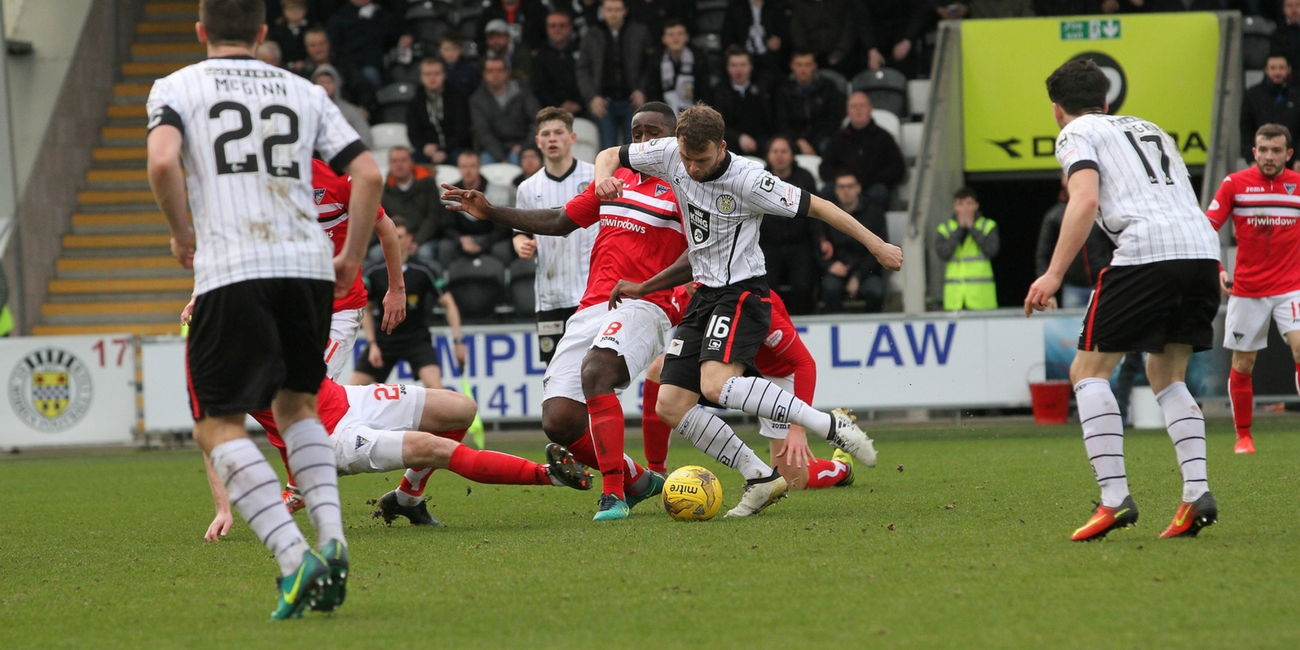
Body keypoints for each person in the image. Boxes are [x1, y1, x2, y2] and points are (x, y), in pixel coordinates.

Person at [146, 0, 382, 619]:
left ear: (200, 32)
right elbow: (368, 173)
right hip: (307, 267)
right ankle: (333, 544)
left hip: (234, 266)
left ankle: (292, 556)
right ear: (260, 32)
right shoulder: (301, 89)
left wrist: (179, 234)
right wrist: (352, 257)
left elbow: (163, 160)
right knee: (299, 407)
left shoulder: (176, 87)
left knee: (217, 425)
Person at [596, 104, 901, 517]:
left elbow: (820, 206)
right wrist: (601, 180)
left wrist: (878, 246)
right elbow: (610, 156)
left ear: (721, 148)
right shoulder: (670, 153)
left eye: (700, 160)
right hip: (704, 295)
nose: (691, 168)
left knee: (716, 385)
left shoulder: (750, 180)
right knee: (669, 402)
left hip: (742, 293)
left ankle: (830, 426)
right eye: (685, 158)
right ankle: (760, 477)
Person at [440, 102, 685, 520]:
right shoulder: (615, 180)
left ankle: (613, 495)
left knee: (596, 372)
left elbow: (699, 252)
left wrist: (651, 286)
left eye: (654, 133)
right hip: (593, 305)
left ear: (674, 140)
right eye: (637, 133)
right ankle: (638, 478)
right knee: (559, 420)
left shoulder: (685, 187)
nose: (643, 141)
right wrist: (491, 212)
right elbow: (558, 219)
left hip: (648, 304)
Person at [1026, 59, 1223, 542]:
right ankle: (1196, 491)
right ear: (1108, 100)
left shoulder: (1075, 133)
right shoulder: (1151, 127)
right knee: (1166, 373)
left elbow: (1085, 199)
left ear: (1057, 110)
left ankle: (1114, 498)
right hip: (1201, 250)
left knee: (1087, 371)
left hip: (1147, 253)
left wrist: (1052, 274)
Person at [202, 376, 593, 539]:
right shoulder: (224, 370)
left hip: (350, 398)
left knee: (461, 409)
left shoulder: (266, 308)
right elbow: (213, 440)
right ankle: (551, 475)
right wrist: (224, 509)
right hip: (330, 437)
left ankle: (407, 497)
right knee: (436, 448)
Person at [643, 287, 855, 489]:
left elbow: (805, 363)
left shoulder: (754, 301)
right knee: (657, 370)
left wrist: (798, 430)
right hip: (733, 369)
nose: (693, 283)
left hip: (776, 376)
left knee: (793, 479)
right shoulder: (689, 294)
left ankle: (841, 466)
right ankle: (657, 473)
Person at [1206, 123, 1300, 455]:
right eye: (1264, 150)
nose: (1269, 156)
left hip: (1292, 287)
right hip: (1248, 290)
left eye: (1276, 151)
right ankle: (1243, 436)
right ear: (1254, 152)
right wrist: (1217, 268)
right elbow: (1206, 228)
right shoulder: (1235, 184)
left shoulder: (1298, 186)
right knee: (1243, 364)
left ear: (1288, 154)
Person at [514, 108, 598, 364]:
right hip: (550, 296)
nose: (552, 139)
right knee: (555, 372)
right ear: (538, 141)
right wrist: (521, 246)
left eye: (558, 132)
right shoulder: (528, 188)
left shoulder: (596, 176)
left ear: (572, 138)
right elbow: (519, 233)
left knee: (594, 370)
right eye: (546, 134)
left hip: (591, 293)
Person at [351, 217, 468, 389]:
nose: (395, 241)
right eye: (392, 236)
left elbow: (448, 304)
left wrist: (458, 341)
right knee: (351, 389)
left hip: (416, 339)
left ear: (410, 239)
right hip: (383, 339)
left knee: (436, 388)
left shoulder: (424, 271)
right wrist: (372, 343)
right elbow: (365, 309)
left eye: (400, 236)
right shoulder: (374, 272)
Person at [576, 0, 650, 148]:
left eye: (617, 9)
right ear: (602, 11)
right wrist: (592, 97)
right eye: (609, 10)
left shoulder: (639, 32)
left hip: (632, 100)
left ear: (625, 11)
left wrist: (642, 90)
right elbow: (582, 69)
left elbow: (648, 66)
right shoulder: (592, 34)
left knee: (634, 149)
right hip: (603, 101)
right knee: (608, 149)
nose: (613, 14)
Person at [760, 136, 820, 314]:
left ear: (792, 155)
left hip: (800, 243)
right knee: (767, 288)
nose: (779, 156)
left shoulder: (805, 177)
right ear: (768, 155)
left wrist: (821, 239)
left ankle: (803, 323)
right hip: (767, 244)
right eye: (775, 151)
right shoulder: (759, 178)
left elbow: (816, 212)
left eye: (784, 151)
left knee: (803, 286)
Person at [1035, 173, 1112, 309]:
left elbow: (1118, 244)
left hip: (1103, 284)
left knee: (1107, 328)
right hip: (1072, 287)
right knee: (1073, 330)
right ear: (1063, 181)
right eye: (1069, 176)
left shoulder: (1102, 210)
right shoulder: (1054, 216)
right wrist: (1047, 293)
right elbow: (1043, 254)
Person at [819, 91, 905, 208]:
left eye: (862, 106)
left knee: (880, 192)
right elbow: (825, 168)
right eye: (854, 106)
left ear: (870, 109)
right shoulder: (838, 139)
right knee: (826, 193)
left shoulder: (883, 137)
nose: (858, 110)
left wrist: (870, 179)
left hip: (872, 186)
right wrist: (844, 180)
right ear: (848, 112)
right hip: (843, 186)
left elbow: (897, 168)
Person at [822, 172, 888, 313]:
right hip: (837, 268)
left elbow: (881, 247)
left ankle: (871, 328)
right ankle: (836, 328)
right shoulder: (827, 214)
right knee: (829, 287)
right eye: (841, 187)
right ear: (835, 190)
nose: (846, 191)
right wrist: (829, 265)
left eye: (850, 186)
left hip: (866, 271)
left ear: (858, 188)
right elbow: (818, 244)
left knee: (875, 290)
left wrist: (858, 276)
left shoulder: (873, 212)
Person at [439, 151, 516, 265]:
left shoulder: (497, 192)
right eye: (464, 166)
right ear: (458, 169)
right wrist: (460, 239)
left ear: (479, 167)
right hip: (462, 238)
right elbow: (446, 226)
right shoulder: (448, 194)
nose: (468, 171)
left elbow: (502, 228)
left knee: (502, 249)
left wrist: (485, 243)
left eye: (472, 166)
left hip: (490, 238)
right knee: (445, 248)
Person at [935, 187, 999, 311]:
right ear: (955, 206)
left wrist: (972, 228)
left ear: (976, 206)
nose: (965, 208)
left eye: (969, 204)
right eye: (960, 204)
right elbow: (943, 253)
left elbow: (991, 250)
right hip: (955, 299)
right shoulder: (944, 228)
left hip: (981, 298)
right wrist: (960, 229)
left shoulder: (988, 226)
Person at [470, 56, 542, 165]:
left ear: (507, 72)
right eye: (490, 71)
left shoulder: (523, 93)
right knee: (485, 161)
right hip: (492, 149)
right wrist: (501, 156)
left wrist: (524, 147)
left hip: (522, 145)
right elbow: (482, 132)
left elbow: (538, 121)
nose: (495, 75)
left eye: (499, 70)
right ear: (484, 74)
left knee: (519, 158)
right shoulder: (477, 100)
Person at [774, 51, 845, 155]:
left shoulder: (828, 87)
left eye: (807, 65)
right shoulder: (783, 91)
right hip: (793, 140)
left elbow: (834, 119)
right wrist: (799, 141)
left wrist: (815, 141)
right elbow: (781, 123)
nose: (803, 69)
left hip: (823, 137)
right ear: (792, 66)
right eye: (799, 65)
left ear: (814, 66)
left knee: (832, 147)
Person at [381, 146, 445, 260]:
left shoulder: (428, 184)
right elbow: (382, 221)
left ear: (411, 162)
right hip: (394, 240)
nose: (399, 164)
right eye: (395, 161)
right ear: (389, 164)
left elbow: (433, 216)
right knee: (376, 253)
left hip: (424, 239)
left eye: (403, 160)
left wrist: (416, 242)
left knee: (425, 253)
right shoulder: (384, 191)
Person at [712, 47, 776, 158]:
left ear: (751, 67)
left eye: (743, 65)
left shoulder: (765, 90)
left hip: (763, 145)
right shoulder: (718, 92)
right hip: (730, 147)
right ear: (727, 68)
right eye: (734, 65)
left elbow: (773, 121)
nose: (738, 69)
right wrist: (738, 137)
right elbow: (717, 125)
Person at [406, 57, 472, 165]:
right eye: (427, 74)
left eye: (436, 74)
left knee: (463, 160)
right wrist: (424, 147)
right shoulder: (414, 103)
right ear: (421, 77)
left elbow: (462, 131)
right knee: (410, 162)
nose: (432, 78)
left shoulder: (458, 98)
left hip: (455, 148)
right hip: (427, 150)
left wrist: (444, 150)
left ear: (444, 75)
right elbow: (413, 133)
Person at [325, 0, 400, 91]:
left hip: (373, 64)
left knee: (371, 74)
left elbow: (391, 38)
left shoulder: (382, 16)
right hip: (346, 66)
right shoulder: (339, 18)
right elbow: (335, 47)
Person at [1241, 55, 1300, 169]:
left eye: (1281, 68)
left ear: (1289, 69)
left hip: (1294, 164)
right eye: (1273, 68)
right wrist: (1252, 160)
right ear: (1266, 70)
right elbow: (1246, 131)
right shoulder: (1252, 95)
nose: (1277, 72)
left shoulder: (1297, 95)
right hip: (1262, 162)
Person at [641, 19, 710, 114]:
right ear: (664, 39)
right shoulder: (656, 61)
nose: (675, 38)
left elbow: (703, 93)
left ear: (687, 37)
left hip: (694, 116)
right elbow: (653, 93)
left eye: (680, 34)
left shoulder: (698, 60)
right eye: (671, 35)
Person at [721, 0, 791, 83]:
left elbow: (786, 33)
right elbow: (726, 33)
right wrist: (732, 47)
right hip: (744, 53)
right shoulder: (736, 6)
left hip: (770, 55)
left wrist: (779, 41)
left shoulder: (776, 5)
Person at [532, 11, 585, 117]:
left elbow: (590, 79)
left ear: (570, 27)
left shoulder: (584, 50)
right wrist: (560, 105)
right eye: (552, 26)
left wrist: (579, 103)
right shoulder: (540, 55)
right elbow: (540, 87)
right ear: (546, 29)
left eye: (562, 25)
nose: (557, 29)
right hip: (551, 111)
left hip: (584, 108)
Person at [311, 64, 373, 148]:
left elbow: (365, 137)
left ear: (337, 83)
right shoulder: (308, 111)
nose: (325, 86)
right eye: (321, 82)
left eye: (328, 82)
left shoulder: (350, 111)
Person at [788, 0, 855, 75]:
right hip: (810, 56)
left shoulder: (842, 3)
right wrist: (808, 55)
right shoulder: (799, 4)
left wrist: (840, 52)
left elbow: (848, 29)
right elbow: (798, 32)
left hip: (839, 56)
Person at [482, 18, 535, 85]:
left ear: (508, 37)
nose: (495, 41)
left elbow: (525, 79)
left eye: (499, 36)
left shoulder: (522, 53)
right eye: (491, 37)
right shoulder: (485, 59)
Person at [268, 0, 311, 73]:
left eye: (298, 8)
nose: (294, 12)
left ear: (305, 10)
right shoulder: (277, 31)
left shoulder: (311, 27)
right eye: (290, 9)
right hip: (283, 68)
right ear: (284, 11)